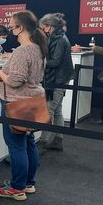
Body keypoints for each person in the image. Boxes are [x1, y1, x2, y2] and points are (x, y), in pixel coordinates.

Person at [0, 10, 47, 201]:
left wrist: (0, 75)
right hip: (32, 100)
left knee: (16, 146)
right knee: (29, 142)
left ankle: (17, 188)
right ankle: (28, 183)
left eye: (11, 25)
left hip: (16, 102)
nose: (10, 28)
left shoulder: (23, 51)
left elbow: (15, 80)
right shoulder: (38, 48)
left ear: (20, 28)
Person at [38, 13, 73, 151]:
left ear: (49, 26)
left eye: (43, 27)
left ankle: (42, 142)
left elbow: (55, 62)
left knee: (48, 111)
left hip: (58, 80)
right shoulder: (58, 37)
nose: (42, 30)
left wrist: (41, 61)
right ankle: (58, 140)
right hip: (60, 78)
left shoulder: (59, 40)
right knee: (57, 111)